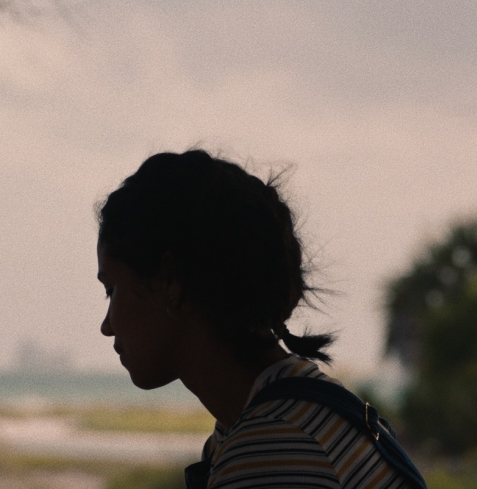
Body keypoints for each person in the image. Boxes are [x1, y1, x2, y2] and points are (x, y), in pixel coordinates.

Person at [95, 150, 426, 488]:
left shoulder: (272, 446)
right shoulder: (292, 416)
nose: (106, 326)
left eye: (111, 290)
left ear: (171, 282)